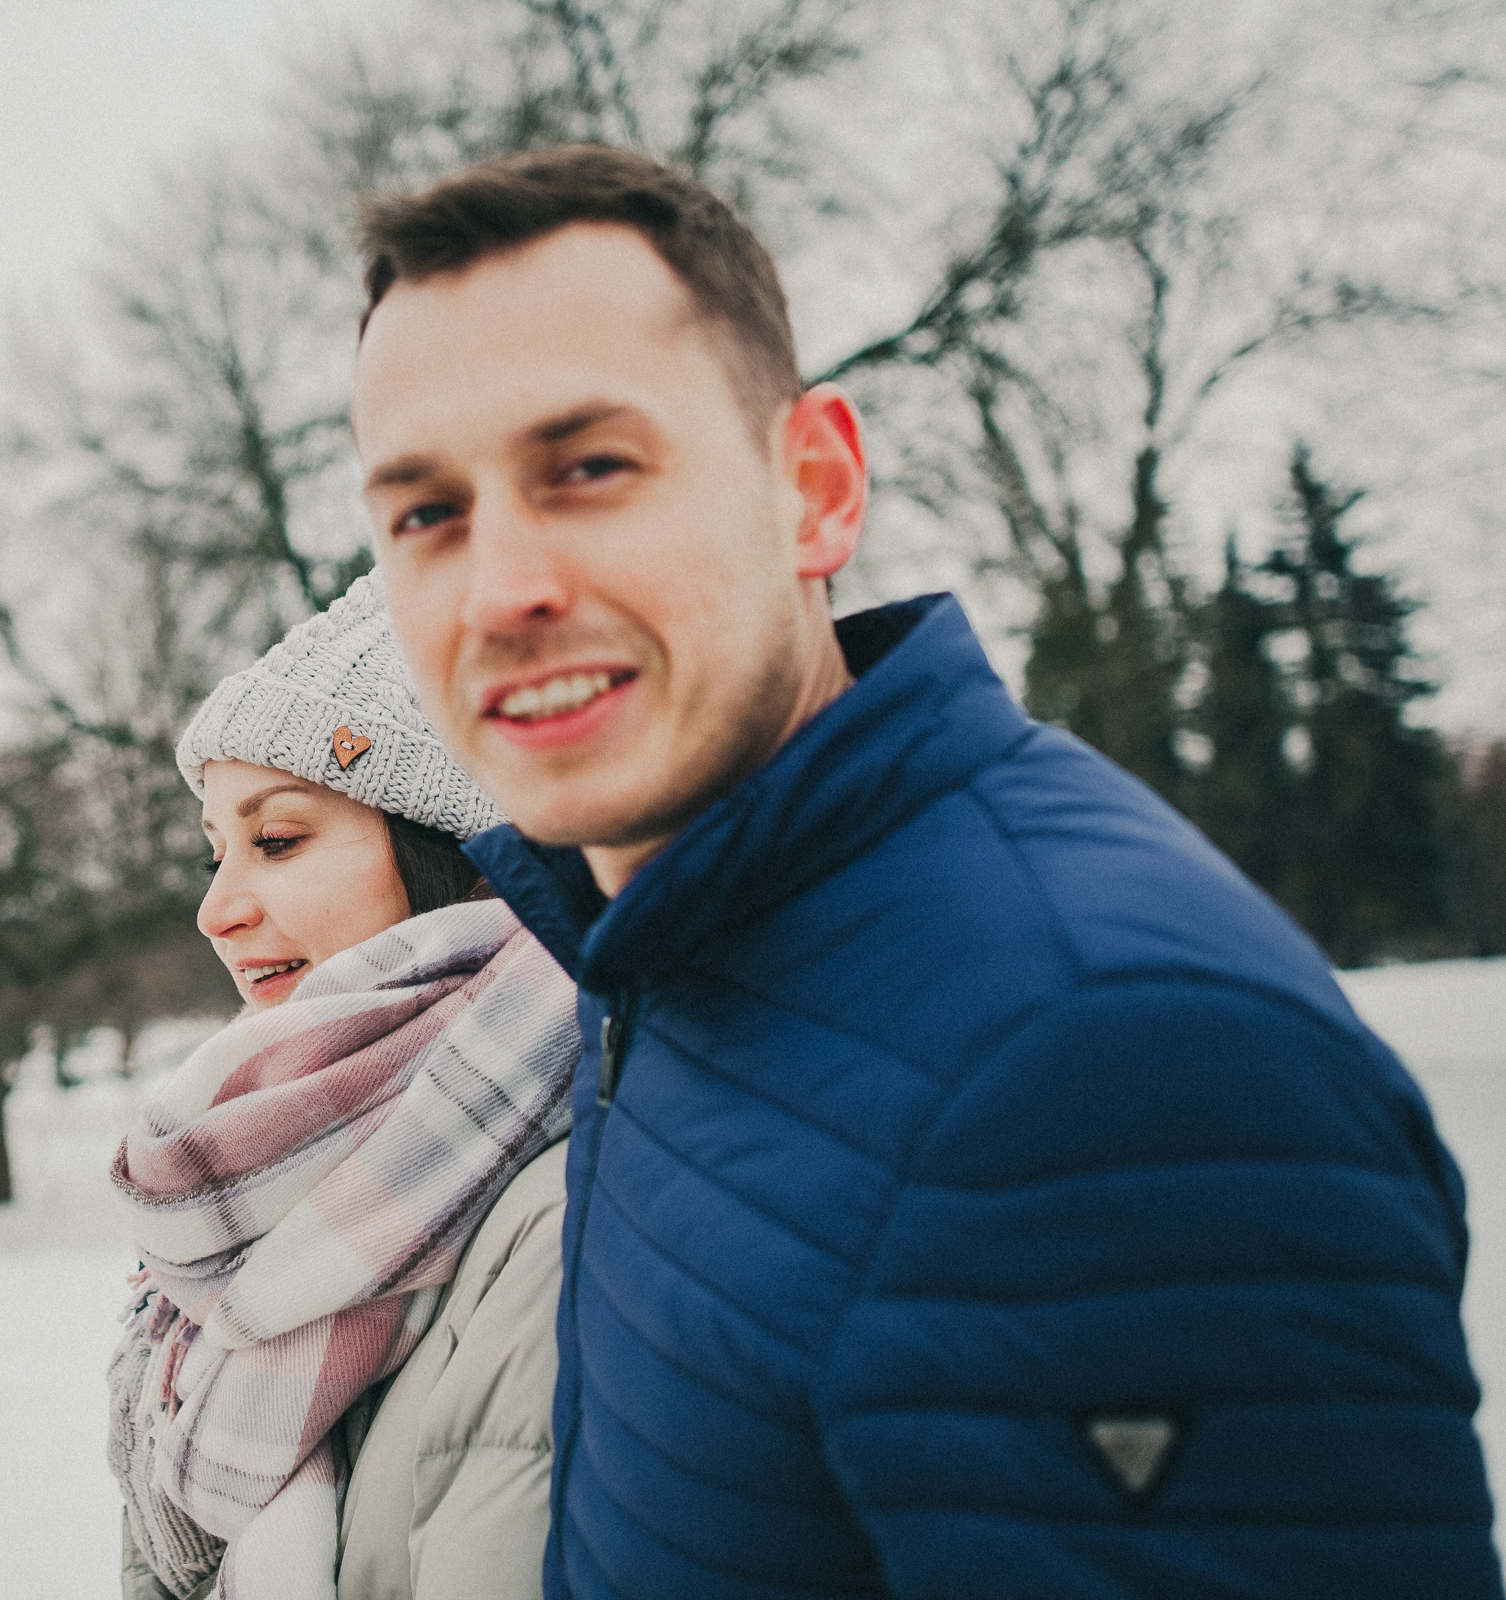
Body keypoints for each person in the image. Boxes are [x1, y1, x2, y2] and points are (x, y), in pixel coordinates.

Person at [349, 144, 1502, 1599]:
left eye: (589, 468)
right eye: (426, 514)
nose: (502, 586)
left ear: (816, 489)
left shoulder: (1109, 1064)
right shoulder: (659, 953)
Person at [108, 571, 583, 1600]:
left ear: (466, 856)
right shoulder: (255, 1183)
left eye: (277, 839)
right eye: (216, 851)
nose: (216, 910)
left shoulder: (564, 1219)